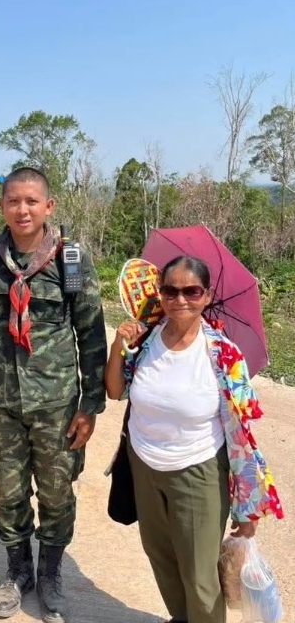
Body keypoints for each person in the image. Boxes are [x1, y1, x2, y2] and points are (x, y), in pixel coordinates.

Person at [0, 167, 107, 622]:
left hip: (56, 403)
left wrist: (90, 405)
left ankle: (50, 572)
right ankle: (18, 571)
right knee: (8, 492)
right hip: (0, 402)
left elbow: (91, 332)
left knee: (57, 493)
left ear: (48, 207)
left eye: (32, 201)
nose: (23, 210)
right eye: (13, 201)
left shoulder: (71, 260)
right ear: (2, 206)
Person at [105, 255, 284, 623]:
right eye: (171, 291)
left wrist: (248, 507)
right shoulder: (146, 339)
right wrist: (118, 345)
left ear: (207, 296)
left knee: (201, 578)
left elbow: (242, 435)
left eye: (191, 291)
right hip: (144, 466)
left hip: (198, 472)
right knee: (162, 557)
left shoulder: (223, 355)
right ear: (160, 293)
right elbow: (115, 390)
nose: (180, 299)